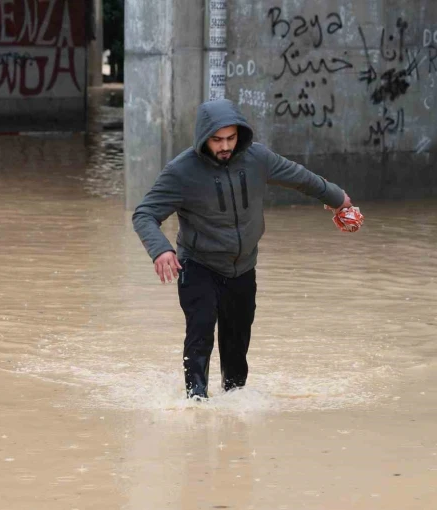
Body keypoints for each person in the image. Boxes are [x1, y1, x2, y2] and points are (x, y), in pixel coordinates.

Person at [132, 99, 354, 400]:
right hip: (198, 264)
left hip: (243, 266)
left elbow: (301, 178)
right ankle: (196, 403)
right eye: (217, 140)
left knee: (237, 345)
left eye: (231, 138)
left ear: (240, 135)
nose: (225, 146)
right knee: (200, 333)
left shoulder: (257, 158)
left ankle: (234, 403)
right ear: (203, 138)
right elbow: (145, 214)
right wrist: (161, 250)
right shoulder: (181, 171)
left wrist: (338, 199)